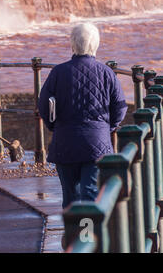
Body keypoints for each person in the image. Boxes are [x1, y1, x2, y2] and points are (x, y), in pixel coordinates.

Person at [38, 22, 127, 209]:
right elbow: (120, 107)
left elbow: (43, 105)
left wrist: (52, 126)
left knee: (70, 196)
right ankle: (89, 235)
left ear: (72, 44)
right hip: (97, 144)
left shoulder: (58, 72)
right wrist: (106, 128)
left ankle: (74, 235)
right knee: (90, 193)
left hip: (65, 142)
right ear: (96, 45)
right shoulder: (107, 73)